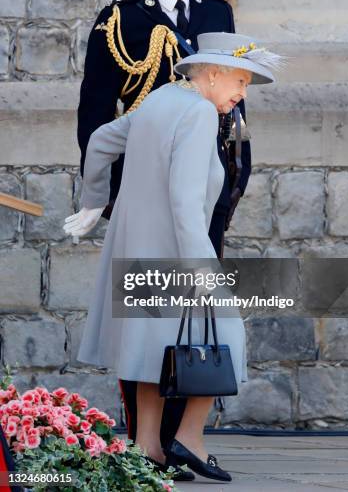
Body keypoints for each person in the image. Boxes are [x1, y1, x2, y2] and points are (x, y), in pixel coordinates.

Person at [76, 0, 252, 470]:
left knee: (183, 316)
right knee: (154, 318)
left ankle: (169, 443)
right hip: (146, 186)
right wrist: (100, 199)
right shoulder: (119, 19)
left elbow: (233, 104)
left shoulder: (216, 14)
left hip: (208, 182)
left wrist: (234, 175)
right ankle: (158, 442)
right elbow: (97, 114)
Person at [64, 32, 282, 482]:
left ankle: (149, 448)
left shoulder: (162, 98)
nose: (242, 95)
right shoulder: (200, 111)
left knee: (151, 346)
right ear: (214, 73)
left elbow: (103, 139)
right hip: (177, 250)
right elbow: (185, 202)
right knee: (229, 337)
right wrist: (202, 269)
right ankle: (189, 439)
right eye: (240, 81)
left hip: (137, 245)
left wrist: (93, 201)